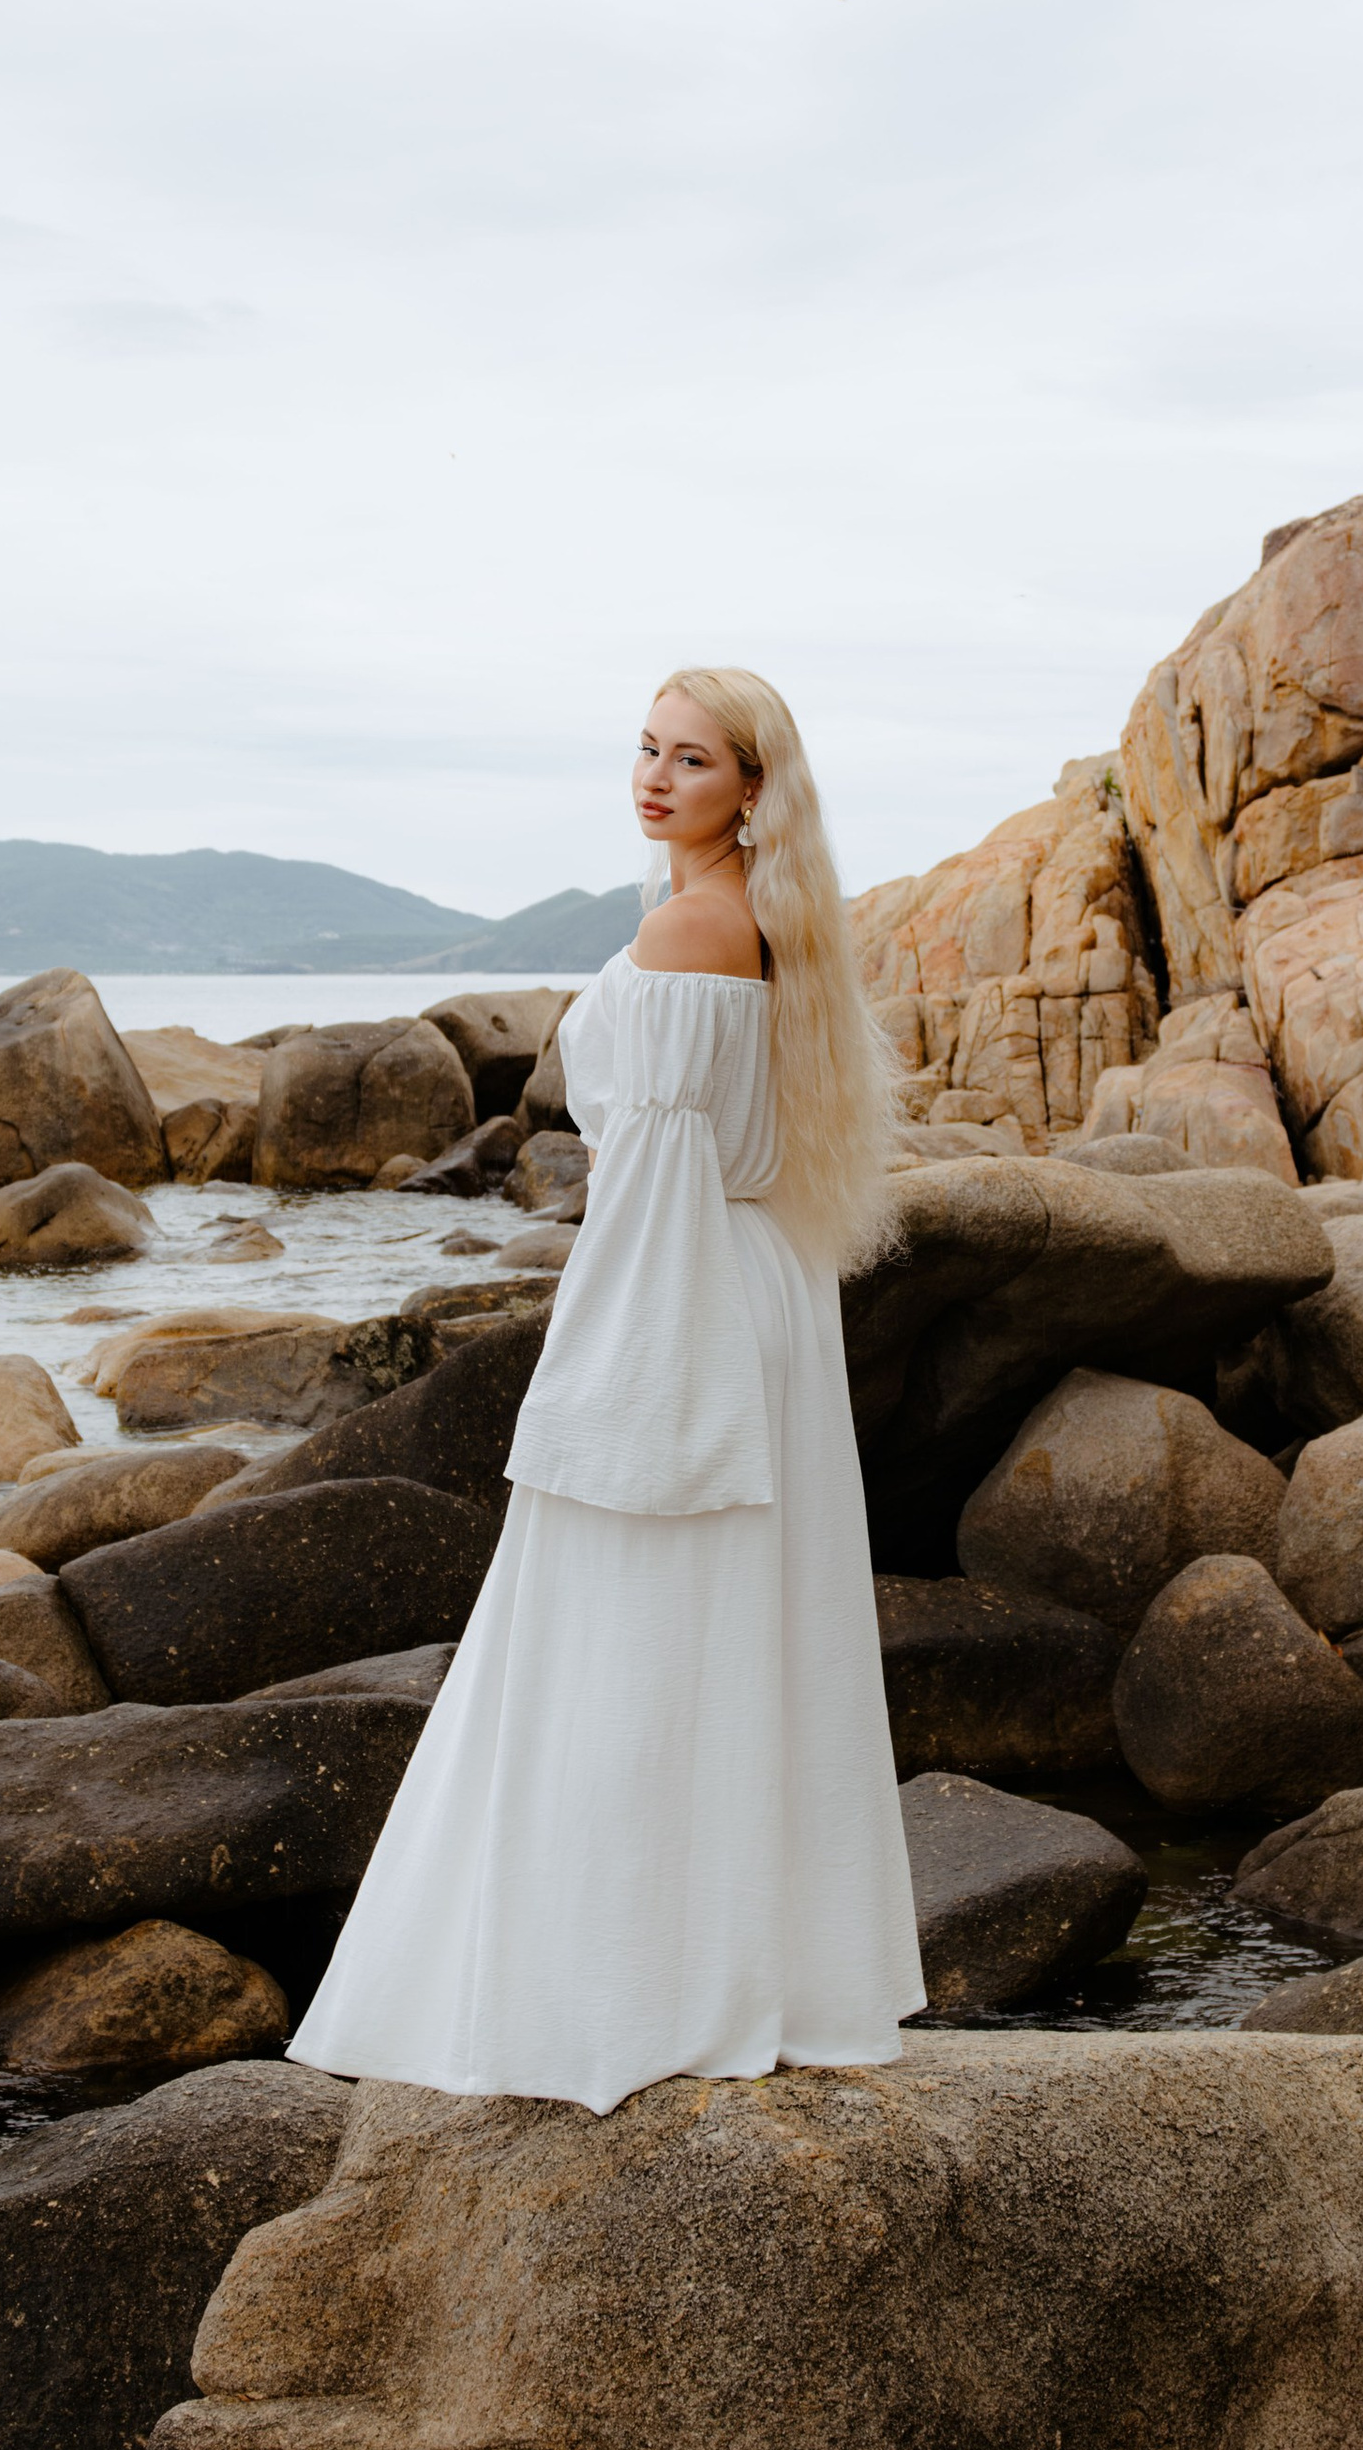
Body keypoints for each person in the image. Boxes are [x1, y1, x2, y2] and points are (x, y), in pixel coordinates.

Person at [288, 665, 926, 2112]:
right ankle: (721, 1965)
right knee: (727, 1634)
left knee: (636, 1636)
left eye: (691, 760)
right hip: (751, 1282)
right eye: (645, 749)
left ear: (751, 790)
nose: (654, 777)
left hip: (688, 1285)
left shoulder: (698, 923)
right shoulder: (762, 919)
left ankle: (621, 1993)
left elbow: (658, 1170)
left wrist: (593, 1377)